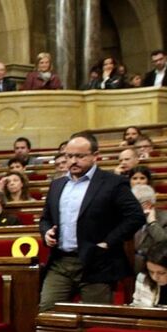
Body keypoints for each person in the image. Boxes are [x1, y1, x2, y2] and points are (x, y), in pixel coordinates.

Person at [38, 132, 145, 312]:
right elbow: (45, 219)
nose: (73, 161)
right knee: (47, 313)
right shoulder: (57, 185)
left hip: (97, 263)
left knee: (95, 319)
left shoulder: (113, 183)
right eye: (69, 156)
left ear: (95, 156)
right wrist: (46, 232)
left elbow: (135, 217)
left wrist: (108, 242)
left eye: (80, 156)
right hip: (60, 262)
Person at [131, 184, 167, 273]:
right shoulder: (129, 217)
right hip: (127, 262)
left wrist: (152, 223)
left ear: (148, 205)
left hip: (152, 265)